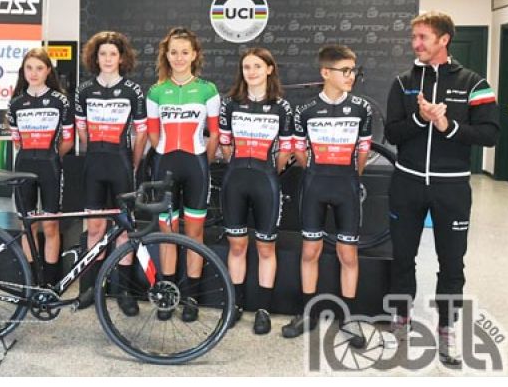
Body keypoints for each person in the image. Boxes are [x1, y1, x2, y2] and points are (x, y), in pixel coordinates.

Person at [385, 11, 499, 365]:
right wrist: (421, 119)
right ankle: (400, 319)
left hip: (452, 188)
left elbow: (490, 135)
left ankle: (447, 328)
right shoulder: (403, 82)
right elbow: (392, 133)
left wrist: (447, 125)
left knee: (451, 263)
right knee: (402, 257)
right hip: (407, 183)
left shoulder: (474, 83)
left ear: (444, 39)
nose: (415, 43)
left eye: (422, 37)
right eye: (414, 37)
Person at [282, 45, 371, 348]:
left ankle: (349, 319)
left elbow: (363, 150)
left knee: (349, 255)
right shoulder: (305, 110)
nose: (351, 76)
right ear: (325, 73)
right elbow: (298, 150)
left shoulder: (361, 108)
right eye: (345, 71)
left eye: (353, 70)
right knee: (310, 252)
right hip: (314, 186)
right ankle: (307, 313)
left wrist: (350, 176)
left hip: (347, 186)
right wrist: (316, 171)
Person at [146, 27, 220, 322]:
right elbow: (153, 134)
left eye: (184, 52)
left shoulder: (207, 90)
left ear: (194, 55)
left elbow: (214, 134)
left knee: (195, 234)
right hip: (165, 165)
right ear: (166, 55)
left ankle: (191, 298)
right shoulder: (156, 91)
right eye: (174, 52)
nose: (179, 57)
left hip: (196, 166)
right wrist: (166, 155)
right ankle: (167, 295)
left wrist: (202, 159)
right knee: (167, 233)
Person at [218, 48, 293, 334]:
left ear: (269, 69)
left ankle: (263, 309)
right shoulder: (230, 104)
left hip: (266, 181)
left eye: (257, 66)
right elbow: (226, 145)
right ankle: (235, 305)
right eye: (247, 67)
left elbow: (285, 150)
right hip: (235, 180)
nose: (251, 72)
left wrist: (271, 170)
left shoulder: (282, 107)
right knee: (237, 245)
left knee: (265, 247)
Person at [73, 31, 147, 314]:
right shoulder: (84, 90)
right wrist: (92, 150)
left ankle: (124, 291)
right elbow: (81, 130)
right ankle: (93, 288)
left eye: (112, 54)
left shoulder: (133, 90)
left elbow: (141, 132)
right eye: (102, 53)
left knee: (124, 230)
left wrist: (134, 162)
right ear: (95, 57)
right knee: (95, 228)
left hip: (121, 163)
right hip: (94, 163)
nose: (107, 59)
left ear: (121, 58)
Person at [6, 47, 74, 288]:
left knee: (50, 225)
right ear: (23, 71)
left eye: (39, 68)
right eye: (29, 68)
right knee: (28, 225)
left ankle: (50, 282)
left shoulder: (60, 101)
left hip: (50, 167)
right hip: (23, 165)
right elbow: (17, 141)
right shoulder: (15, 103)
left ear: (48, 71)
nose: (33, 73)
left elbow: (68, 140)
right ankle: (32, 281)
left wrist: (52, 156)